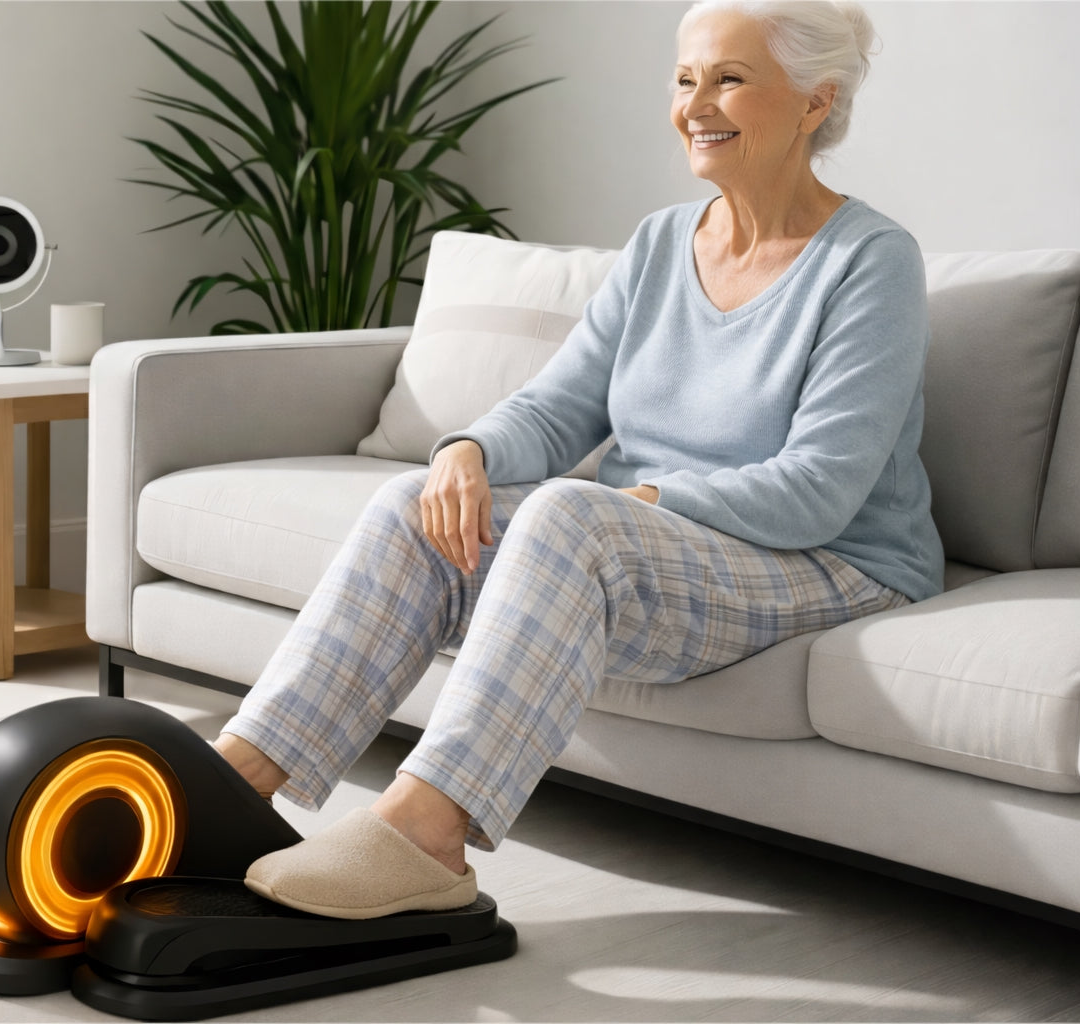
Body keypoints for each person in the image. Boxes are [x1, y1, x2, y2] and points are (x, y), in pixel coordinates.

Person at [213, 0, 945, 920]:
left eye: (729, 79)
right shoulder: (661, 243)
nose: (695, 105)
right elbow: (563, 403)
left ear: (814, 101)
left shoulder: (870, 261)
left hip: (833, 562)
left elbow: (820, 490)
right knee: (413, 502)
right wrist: (469, 449)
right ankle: (232, 786)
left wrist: (647, 501)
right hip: (653, 544)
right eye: (685, 79)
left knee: (572, 513)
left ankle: (427, 835)